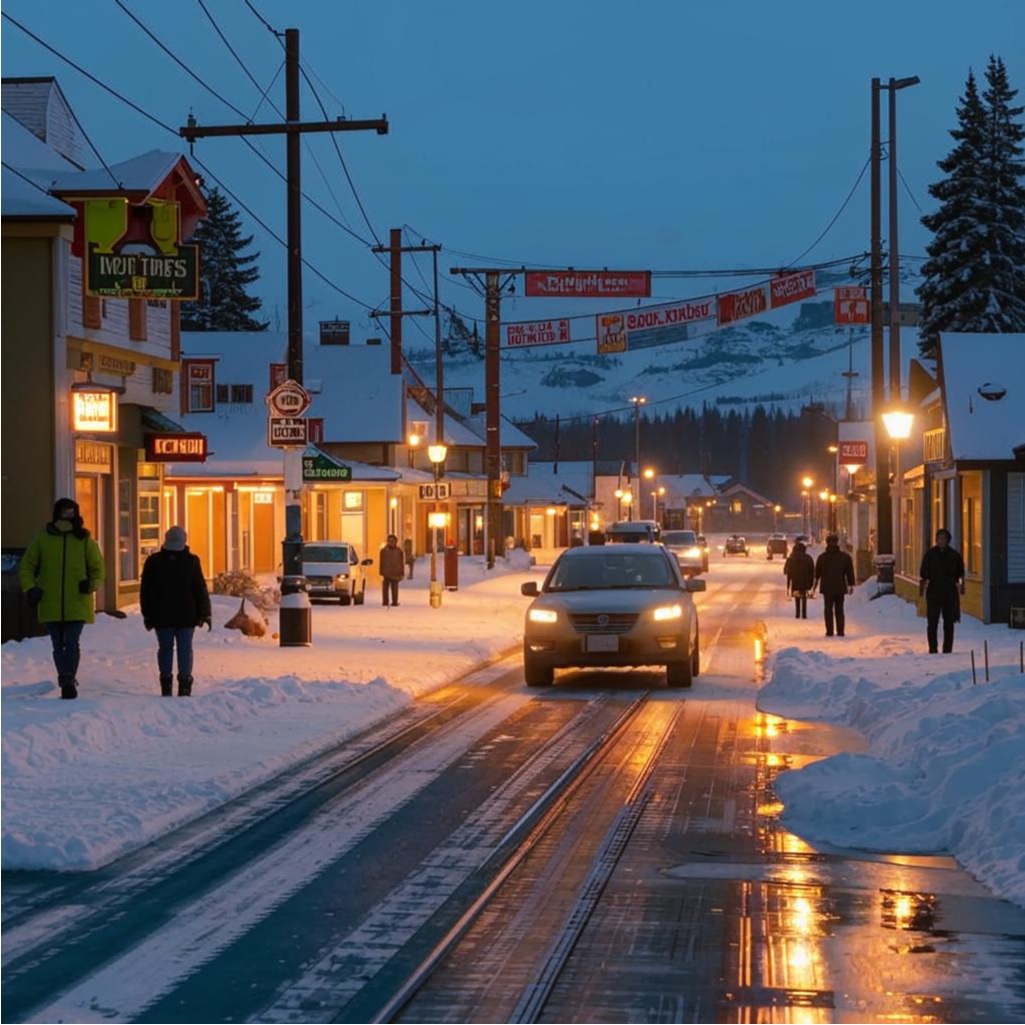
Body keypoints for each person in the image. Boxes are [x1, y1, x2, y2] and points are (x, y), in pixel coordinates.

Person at [19, 497, 105, 699]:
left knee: (72, 642)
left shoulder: (84, 540)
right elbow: (27, 566)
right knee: (58, 644)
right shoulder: (42, 540)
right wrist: (31, 588)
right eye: (65, 511)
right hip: (50, 601)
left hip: (77, 601)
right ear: (57, 513)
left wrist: (90, 584)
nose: (68, 515)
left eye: (71, 511)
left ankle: (68, 679)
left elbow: (98, 568)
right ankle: (65, 677)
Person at [140, 526, 211, 696]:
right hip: (187, 615)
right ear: (184, 540)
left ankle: (166, 681)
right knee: (185, 649)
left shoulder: (153, 561)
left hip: (161, 615)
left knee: (165, 648)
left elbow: (146, 591)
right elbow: (200, 588)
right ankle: (185, 682)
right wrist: (205, 613)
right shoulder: (192, 561)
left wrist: (147, 614)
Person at [919, 528, 965, 654]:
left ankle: (947, 649)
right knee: (932, 622)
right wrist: (923, 587)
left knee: (949, 622)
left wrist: (960, 586)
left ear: (948, 540)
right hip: (934, 591)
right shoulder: (930, 555)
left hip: (949, 592)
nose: (941, 541)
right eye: (939, 538)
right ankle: (933, 648)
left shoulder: (954, 555)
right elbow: (923, 572)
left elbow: (961, 573)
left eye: (944, 538)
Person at [814, 533, 855, 637]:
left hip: (827, 588)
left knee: (828, 609)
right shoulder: (845, 557)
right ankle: (840, 631)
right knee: (839, 609)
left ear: (827, 543)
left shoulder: (822, 558)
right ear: (837, 543)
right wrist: (851, 585)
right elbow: (849, 572)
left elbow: (817, 574)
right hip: (840, 587)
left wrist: (813, 587)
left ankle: (829, 631)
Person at [784, 541, 815, 619]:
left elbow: (786, 571)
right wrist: (811, 583)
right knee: (804, 596)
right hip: (805, 581)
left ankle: (797, 613)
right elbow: (812, 571)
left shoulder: (791, 558)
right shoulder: (808, 558)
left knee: (797, 596)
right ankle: (804, 614)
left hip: (795, 581)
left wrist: (788, 585)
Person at [379, 533, 404, 607]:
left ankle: (394, 602)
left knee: (395, 589)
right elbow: (381, 562)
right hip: (386, 574)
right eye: (390, 541)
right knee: (385, 589)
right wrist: (381, 572)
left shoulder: (399, 551)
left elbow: (401, 562)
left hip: (395, 573)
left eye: (393, 541)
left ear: (396, 542)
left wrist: (401, 573)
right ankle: (385, 601)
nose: (391, 543)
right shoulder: (383, 551)